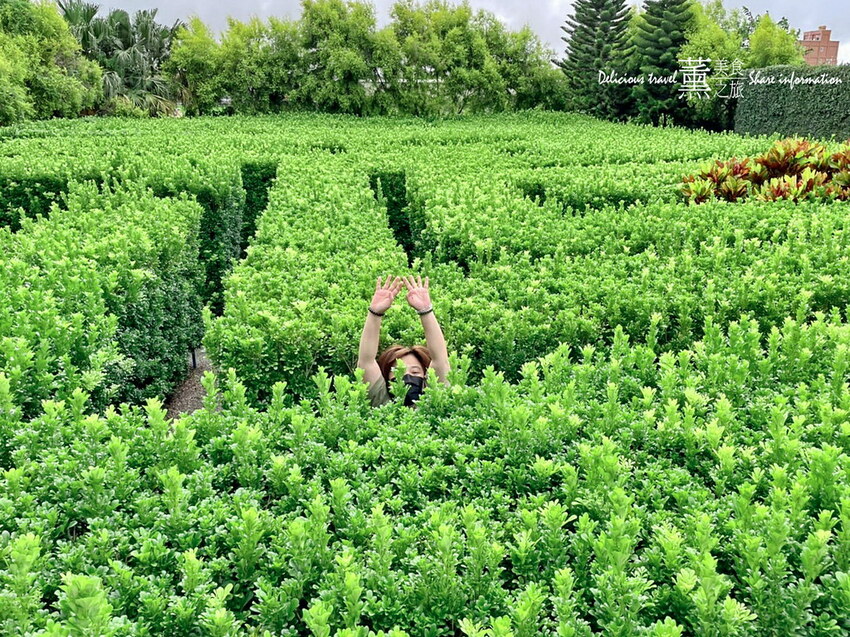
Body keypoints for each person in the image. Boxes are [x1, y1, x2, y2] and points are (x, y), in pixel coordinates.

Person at [357, 274, 450, 407]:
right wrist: (375, 313)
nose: (406, 377)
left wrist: (426, 311)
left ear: (425, 376)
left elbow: (440, 360)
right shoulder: (381, 401)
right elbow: (366, 361)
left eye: (415, 372)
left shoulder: (433, 401)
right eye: (397, 372)